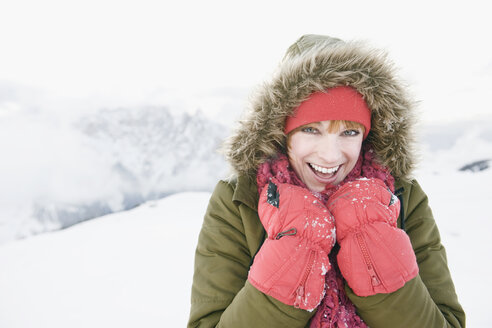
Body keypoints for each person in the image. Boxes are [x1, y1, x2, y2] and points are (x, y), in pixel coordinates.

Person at [187, 34, 465, 327]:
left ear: (368, 136)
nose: (331, 156)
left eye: (349, 132)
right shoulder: (239, 200)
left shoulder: (401, 197)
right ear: (282, 131)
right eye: (311, 130)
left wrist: (378, 261)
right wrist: (290, 264)